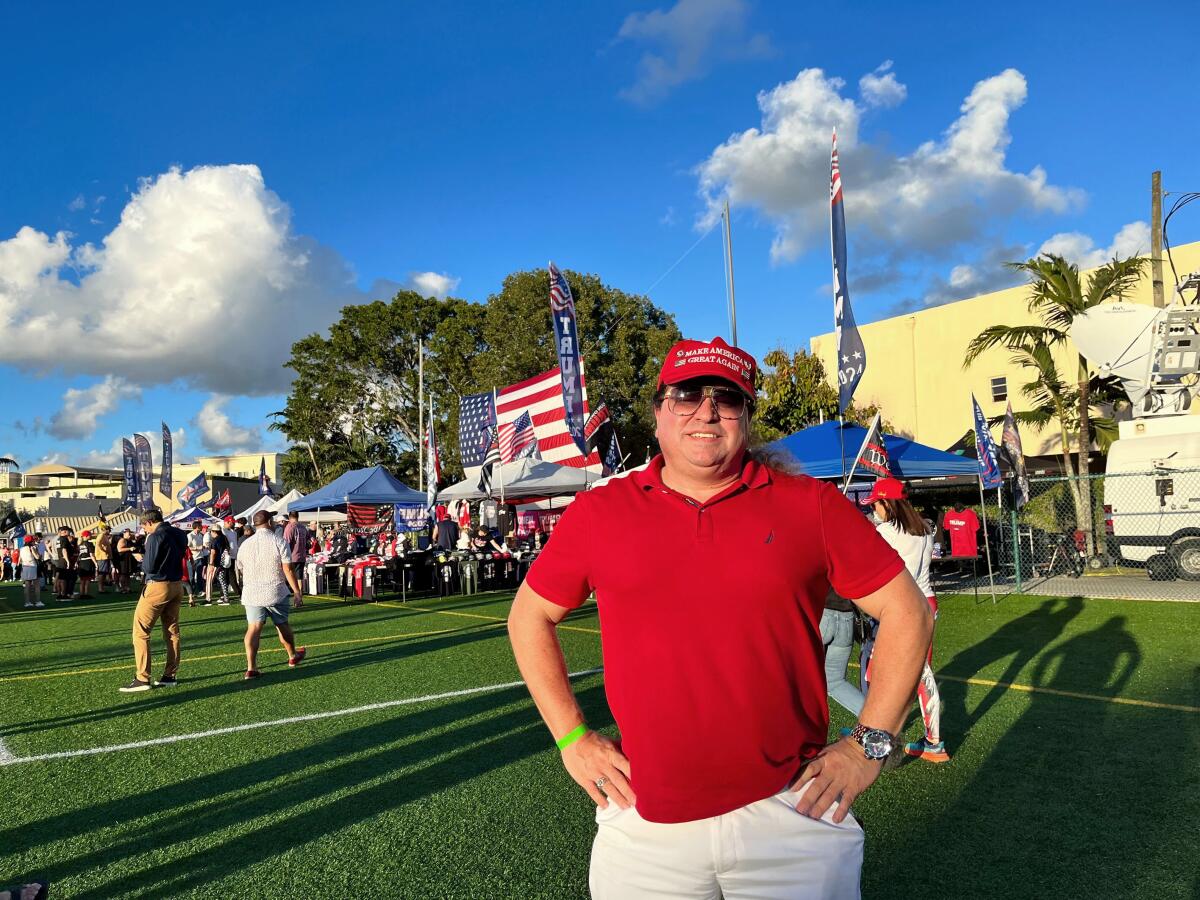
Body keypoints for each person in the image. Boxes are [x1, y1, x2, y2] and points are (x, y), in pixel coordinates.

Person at [507, 336, 933, 899]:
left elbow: (909, 613)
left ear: (746, 419)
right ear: (659, 412)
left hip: (793, 811)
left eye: (726, 398)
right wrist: (572, 738)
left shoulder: (810, 504)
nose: (706, 411)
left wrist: (868, 745)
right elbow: (529, 616)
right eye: (687, 395)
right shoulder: (600, 512)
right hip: (643, 821)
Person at [861, 478, 950, 764]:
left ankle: (923, 741)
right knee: (895, 673)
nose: (874, 508)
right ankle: (898, 733)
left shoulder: (886, 531)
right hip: (926, 602)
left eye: (876, 503)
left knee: (912, 675)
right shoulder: (925, 527)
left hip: (904, 608)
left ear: (887, 503)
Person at [120, 508, 187, 693]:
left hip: (158, 585)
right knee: (172, 631)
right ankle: (170, 675)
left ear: (149, 522)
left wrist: (140, 559)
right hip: (176, 584)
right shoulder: (180, 533)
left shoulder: (155, 536)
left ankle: (143, 678)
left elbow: (149, 565)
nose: (144, 530)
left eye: (144, 526)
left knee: (140, 632)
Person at [237, 510, 306, 679]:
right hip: (275, 590)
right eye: (273, 520)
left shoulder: (245, 543)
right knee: (282, 624)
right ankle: (292, 656)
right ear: (269, 522)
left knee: (253, 628)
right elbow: (288, 569)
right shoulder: (278, 540)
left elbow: (239, 567)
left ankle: (251, 668)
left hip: (252, 592)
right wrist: (297, 592)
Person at [822, 587, 865, 716]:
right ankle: (878, 722)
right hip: (847, 619)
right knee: (836, 682)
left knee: (799, 680)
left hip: (822, 616)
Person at [282, 511, 309, 603]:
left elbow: (287, 543)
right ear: (298, 516)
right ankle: (299, 597)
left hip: (292, 556)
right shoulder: (303, 527)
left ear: (289, 517)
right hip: (302, 556)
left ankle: (294, 597)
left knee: (290, 576)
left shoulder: (290, 527)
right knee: (299, 577)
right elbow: (308, 542)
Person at [205, 523, 232, 605]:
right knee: (222, 581)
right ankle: (226, 599)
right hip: (223, 563)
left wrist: (211, 564)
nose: (210, 533)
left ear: (214, 531)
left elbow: (213, 553)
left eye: (211, 531)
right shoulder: (224, 538)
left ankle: (208, 599)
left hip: (215, 564)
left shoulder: (215, 540)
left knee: (209, 581)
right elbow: (228, 548)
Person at [19, 536, 43, 609]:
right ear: (31, 541)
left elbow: (20, 560)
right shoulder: (32, 547)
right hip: (32, 566)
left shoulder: (21, 548)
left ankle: (27, 602)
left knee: (27, 586)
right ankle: (38, 601)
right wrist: (39, 555)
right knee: (36, 585)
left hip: (25, 566)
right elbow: (37, 557)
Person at [53, 526, 74, 601]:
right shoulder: (64, 539)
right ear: (65, 531)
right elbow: (64, 549)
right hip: (64, 560)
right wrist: (67, 560)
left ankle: (59, 594)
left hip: (60, 560)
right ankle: (64, 595)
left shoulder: (59, 539)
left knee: (60, 578)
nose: (69, 533)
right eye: (68, 531)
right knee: (64, 579)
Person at [186, 521, 206, 593]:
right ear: (197, 527)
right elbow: (187, 548)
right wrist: (198, 548)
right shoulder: (190, 536)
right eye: (201, 526)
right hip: (192, 559)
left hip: (200, 557)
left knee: (199, 576)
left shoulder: (201, 535)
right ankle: (191, 592)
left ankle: (200, 591)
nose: (202, 527)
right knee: (191, 577)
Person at [76, 530, 97, 599]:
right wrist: (96, 563)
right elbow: (91, 555)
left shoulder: (79, 545)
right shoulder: (89, 544)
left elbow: (78, 555)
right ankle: (86, 594)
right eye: (90, 535)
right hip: (88, 562)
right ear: (86, 536)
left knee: (82, 580)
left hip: (81, 562)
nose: (90, 536)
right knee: (87, 580)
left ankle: (82, 594)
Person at [95, 525, 113, 593]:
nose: (109, 531)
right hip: (102, 557)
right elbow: (98, 543)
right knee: (102, 573)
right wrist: (103, 551)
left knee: (104, 572)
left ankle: (102, 588)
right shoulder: (101, 535)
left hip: (105, 557)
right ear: (104, 529)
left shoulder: (104, 536)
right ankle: (100, 588)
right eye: (108, 529)